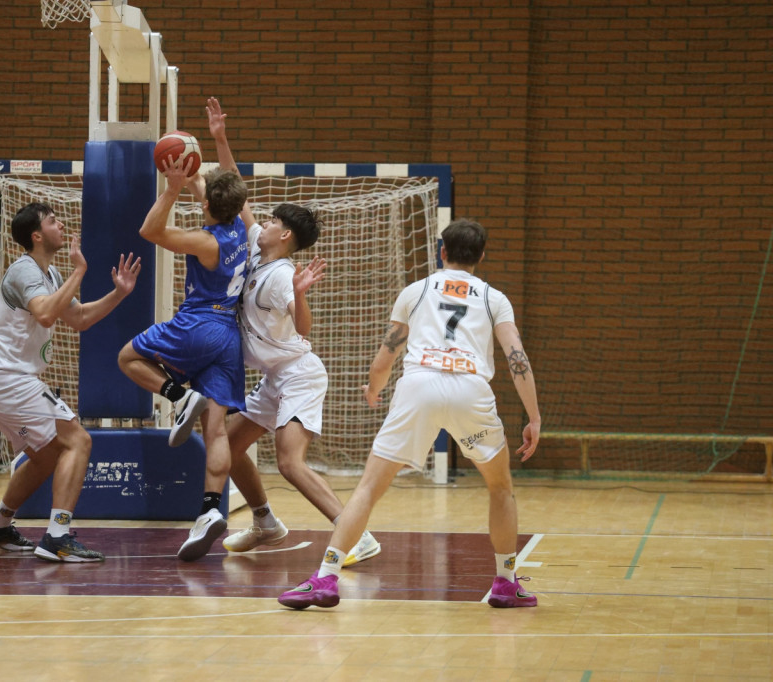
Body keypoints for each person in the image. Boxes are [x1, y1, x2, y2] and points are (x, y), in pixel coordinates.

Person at [278, 218, 542, 609]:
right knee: (500, 488)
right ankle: (505, 583)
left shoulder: (416, 291)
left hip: (419, 387)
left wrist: (374, 389)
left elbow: (387, 354)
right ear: (481, 257)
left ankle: (327, 577)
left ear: (442, 252)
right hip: (471, 390)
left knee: (368, 488)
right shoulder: (494, 298)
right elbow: (516, 357)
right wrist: (533, 417)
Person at [198, 98, 380, 567]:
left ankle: (355, 533)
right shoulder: (259, 250)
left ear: (284, 237)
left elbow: (304, 328)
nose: (263, 221)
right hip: (274, 377)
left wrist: (301, 293)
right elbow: (237, 193)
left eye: (274, 221)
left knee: (288, 462)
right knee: (230, 447)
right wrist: (219, 139)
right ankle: (265, 522)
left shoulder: (281, 275)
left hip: (299, 372)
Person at [0, 202, 140, 563]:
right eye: (52, 221)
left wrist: (119, 294)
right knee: (78, 439)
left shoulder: (49, 276)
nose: (61, 224)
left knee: (46, 456)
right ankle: (57, 536)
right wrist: (80, 270)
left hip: (0, 379)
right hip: (5, 377)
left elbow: (78, 318)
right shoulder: (23, 270)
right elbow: (46, 314)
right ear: (36, 235)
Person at [117, 106, 249, 562]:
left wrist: (172, 188)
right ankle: (211, 509)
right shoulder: (243, 228)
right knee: (217, 431)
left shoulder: (206, 241)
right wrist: (218, 140)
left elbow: (149, 230)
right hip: (230, 337)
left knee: (127, 358)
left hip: (199, 324)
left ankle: (177, 395)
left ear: (208, 205)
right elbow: (229, 180)